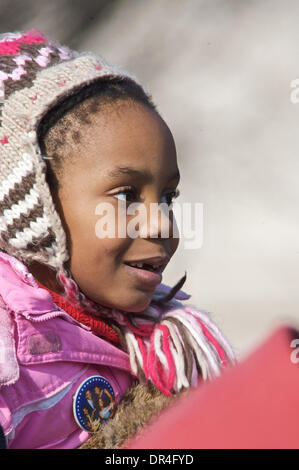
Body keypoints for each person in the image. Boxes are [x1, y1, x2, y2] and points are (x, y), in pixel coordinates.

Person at [0, 29, 237, 449]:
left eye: (168, 196)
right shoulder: (9, 354)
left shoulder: (161, 342)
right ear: (32, 204)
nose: (161, 225)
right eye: (126, 196)